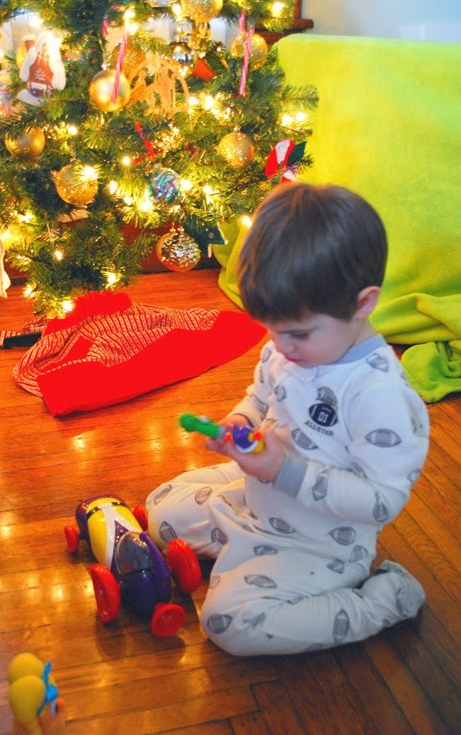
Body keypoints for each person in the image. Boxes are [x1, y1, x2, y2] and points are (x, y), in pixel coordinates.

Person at [146, 182, 429, 656]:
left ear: (363, 304)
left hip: (320, 544)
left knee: (228, 623)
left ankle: (381, 601)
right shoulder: (292, 344)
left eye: (296, 333)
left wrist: (285, 471)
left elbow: (381, 503)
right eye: (271, 330)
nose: (280, 346)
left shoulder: (379, 396)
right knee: (159, 511)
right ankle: (240, 546)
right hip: (260, 500)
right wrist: (240, 420)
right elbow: (261, 396)